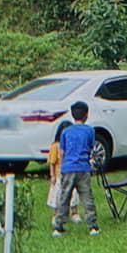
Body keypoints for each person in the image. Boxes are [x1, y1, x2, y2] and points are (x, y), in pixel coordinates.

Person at [52, 102, 100, 238]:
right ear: (86, 115)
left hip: (68, 168)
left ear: (72, 115)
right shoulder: (90, 130)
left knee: (64, 197)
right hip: (83, 168)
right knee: (87, 197)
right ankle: (93, 226)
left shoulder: (66, 132)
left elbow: (62, 152)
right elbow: (91, 148)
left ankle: (59, 226)